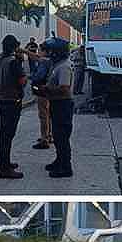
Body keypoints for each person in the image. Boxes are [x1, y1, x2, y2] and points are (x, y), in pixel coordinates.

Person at [0, 34, 28, 179]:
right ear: (14, 47)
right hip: (12, 100)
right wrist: (20, 63)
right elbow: (22, 81)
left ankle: (4, 163)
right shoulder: (13, 62)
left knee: (3, 134)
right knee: (8, 134)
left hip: (1, 98)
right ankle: (5, 169)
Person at [41, 37, 76, 178]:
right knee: (57, 136)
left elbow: (65, 89)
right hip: (57, 104)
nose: (49, 54)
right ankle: (59, 161)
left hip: (63, 105)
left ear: (57, 52)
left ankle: (66, 167)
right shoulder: (58, 64)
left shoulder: (64, 67)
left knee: (62, 137)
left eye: (51, 51)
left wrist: (47, 90)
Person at [27, 40, 52, 150]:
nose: (38, 52)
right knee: (48, 114)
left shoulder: (44, 62)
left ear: (44, 51)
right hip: (49, 90)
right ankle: (49, 135)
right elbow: (36, 57)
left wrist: (30, 77)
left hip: (42, 91)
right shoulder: (50, 60)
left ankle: (44, 139)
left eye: (40, 51)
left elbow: (39, 76)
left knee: (43, 115)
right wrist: (25, 51)